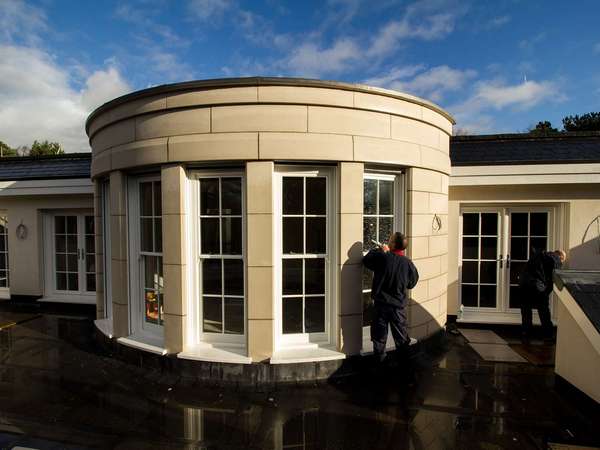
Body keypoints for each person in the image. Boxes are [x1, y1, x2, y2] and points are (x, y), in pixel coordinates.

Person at [363, 232, 419, 364]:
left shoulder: (383, 258)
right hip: (398, 308)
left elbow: (366, 260)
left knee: (379, 339)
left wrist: (380, 251)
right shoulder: (408, 263)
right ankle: (405, 372)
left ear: (393, 244)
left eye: (390, 240)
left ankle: (379, 370)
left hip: (381, 306)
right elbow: (412, 283)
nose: (388, 241)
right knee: (402, 340)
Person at [519, 248, 566, 341]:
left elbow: (526, 269)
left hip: (524, 284)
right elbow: (555, 278)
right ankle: (548, 335)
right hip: (538, 287)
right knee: (544, 311)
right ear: (561, 257)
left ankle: (526, 333)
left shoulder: (537, 255)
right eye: (563, 261)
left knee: (526, 310)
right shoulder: (556, 260)